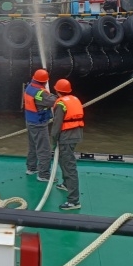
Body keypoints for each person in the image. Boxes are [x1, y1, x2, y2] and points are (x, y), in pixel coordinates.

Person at [51, 78, 84, 210]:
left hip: (66, 138)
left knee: (69, 167)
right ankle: (66, 184)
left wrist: (53, 141)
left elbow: (56, 125)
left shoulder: (61, 104)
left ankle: (74, 201)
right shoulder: (74, 99)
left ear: (57, 90)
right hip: (76, 134)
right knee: (63, 160)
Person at [23, 68, 56, 181]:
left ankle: (31, 168)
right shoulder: (41, 93)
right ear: (45, 81)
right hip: (39, 124)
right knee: (44, 150)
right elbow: (53, 101)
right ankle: (44, 175)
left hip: (30, 121)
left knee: (33, 146)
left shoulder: (29, 87)